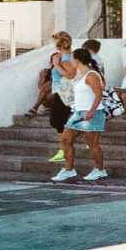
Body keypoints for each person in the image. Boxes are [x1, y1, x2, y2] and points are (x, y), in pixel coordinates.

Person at [52, 49, 111, 183]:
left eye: (72, 59)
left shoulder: (91, 75)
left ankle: (100, 170)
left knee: (92, 143)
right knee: (66, 140)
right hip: (78, 113)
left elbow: (98, 95)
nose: (70, 61)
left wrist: (91, 112)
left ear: (78, 60)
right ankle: (69, 170)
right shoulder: (80, 74)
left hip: (93, 113)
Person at [33, 30, 75, 162]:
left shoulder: (66, 58)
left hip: (63, 93)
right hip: (60, 92)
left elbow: (70, 74)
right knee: (58, 122)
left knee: (57, 121)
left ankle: (65, 150)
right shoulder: (67, 56)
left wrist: (57, 65)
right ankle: (64, 149)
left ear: (58, 44)